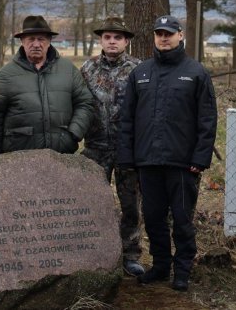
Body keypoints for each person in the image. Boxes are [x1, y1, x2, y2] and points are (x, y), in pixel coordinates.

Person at [118, 15, 217, 292]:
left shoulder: (196, 73)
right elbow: (127, 119)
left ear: (180, 35)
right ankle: (161, 266)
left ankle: (182, 270)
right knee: (153, 218)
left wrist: (200, 158)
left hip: (183, 164)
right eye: (159, 33)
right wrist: (127, 158)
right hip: (148, 162)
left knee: (183, 221)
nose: (164, 38)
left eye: (169, 33)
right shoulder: (141, 73)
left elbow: (207, 120)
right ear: (154, 37)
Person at [80, 16, 144, 277]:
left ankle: (130, 254)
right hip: (96, 146)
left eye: (117, 37)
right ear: (101, 41)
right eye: (107, 37)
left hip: (127, 147)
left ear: (126, 41)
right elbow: (79, 104)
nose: (112, 41)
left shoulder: (139, 70)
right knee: (93, 201)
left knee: (130, 203)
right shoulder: (88, 69)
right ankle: (94, 251)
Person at [0, 15, 93, 155]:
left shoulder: (68, 70)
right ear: (22, 41)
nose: (36, 44)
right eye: (31, 39)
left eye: (41, 39)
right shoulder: (6, 75)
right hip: (19, 160)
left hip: (61, 157)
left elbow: (85, 103)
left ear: (49, 42)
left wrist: (73, 133)